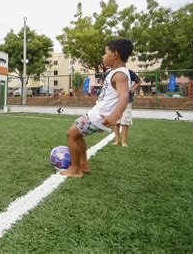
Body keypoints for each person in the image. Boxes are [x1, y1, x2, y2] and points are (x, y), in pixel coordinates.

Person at [61, 38, 133, 178]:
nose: (103, 56)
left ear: (114, 54)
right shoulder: (117, 72)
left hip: (100, 116)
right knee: (77, 135)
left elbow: (124, 96)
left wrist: (115, 115)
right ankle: (84, 165)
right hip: (98, 114)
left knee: (71, 134)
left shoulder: (120, 74)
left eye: (105, 53)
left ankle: (75, 169)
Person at [113, 69, 142, 146]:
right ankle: (116, 140)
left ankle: (124, 142)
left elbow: (139, 81)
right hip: (114, 100)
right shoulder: (110, 72)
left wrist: (131, 89)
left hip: (127, 100)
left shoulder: (129, 72)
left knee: (125, 121)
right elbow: (103, 82)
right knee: (116, 121)